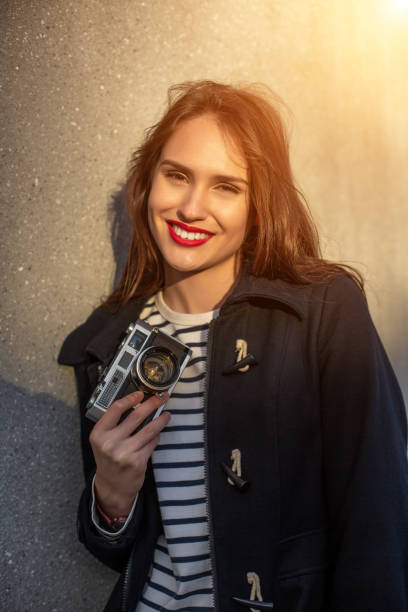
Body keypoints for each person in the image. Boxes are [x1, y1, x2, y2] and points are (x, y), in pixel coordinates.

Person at [58, 80, 408, 612]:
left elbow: (378, 517)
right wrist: (111, 496)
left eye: (226, 186)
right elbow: (121, 551)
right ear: (149, 181)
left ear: (259, 205)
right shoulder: (109, 343)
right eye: (176, 175)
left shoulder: (321, 311)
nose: (191, 207)